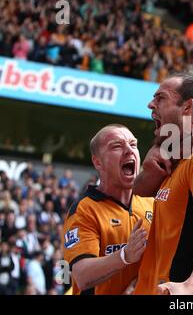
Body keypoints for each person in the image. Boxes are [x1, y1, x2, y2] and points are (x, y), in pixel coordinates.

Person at [133, 73, 193, 295]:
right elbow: (136, 192)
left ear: (187, 108)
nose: (150, 104)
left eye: (160, 98)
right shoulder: (170, 164)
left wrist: (192, 284)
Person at [62, 124, 153, 295]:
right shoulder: (84, 210)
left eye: (133, 144)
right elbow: (82, 275)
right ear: (98, 162)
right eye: (117, 146)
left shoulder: (152, 202)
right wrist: (125, 255)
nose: (128, 150)